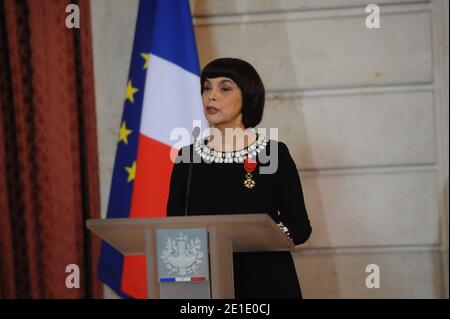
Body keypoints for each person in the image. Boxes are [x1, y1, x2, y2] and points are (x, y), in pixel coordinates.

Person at [166, 57, 312, 299]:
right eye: (206, 87)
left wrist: (263, 235)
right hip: (205, 285)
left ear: (248, 95)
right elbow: (172, 228)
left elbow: (300, 226)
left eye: (224, 88)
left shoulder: (273, 153)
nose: (211, 96)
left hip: (265, 281)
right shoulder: (187, 157)